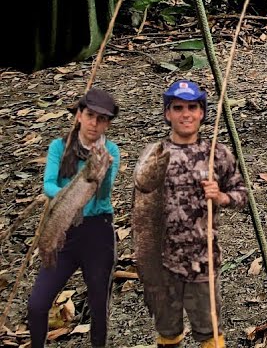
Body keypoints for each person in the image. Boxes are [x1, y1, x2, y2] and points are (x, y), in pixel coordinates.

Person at [141, 79, 246, 348]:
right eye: (178, 108)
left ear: (202, 113)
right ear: (167, 113)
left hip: (203, 260)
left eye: (192, 108)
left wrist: (221, 197)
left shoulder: (216, 153)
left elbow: (242, 194)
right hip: (162, 263)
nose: (185, 114)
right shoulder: (155, 155)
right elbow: (140, 205)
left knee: (209, 330)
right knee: (167, 329)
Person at [27, 89, 120, 348]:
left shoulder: (110, 151)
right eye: (90, 115)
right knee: (37, 304)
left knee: (98, 306)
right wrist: (70, 196)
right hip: (63, 229)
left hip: (98, 233)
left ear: (108, 124)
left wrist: (103, 172)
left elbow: (103, 195)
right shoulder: (60, 147)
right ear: (79, 115)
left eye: (102, 119)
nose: (94, 123)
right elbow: (48, 185)